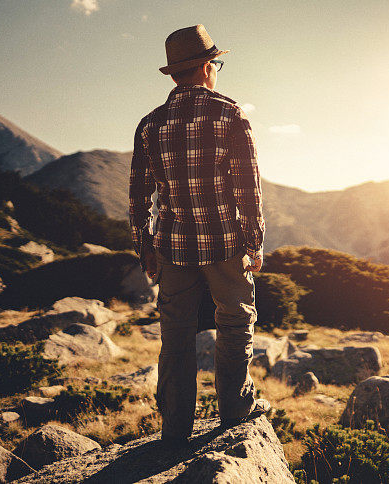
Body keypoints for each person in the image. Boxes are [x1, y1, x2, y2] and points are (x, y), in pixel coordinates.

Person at [128, 24, 270, 445]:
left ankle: (175, 427)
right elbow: (248, 187)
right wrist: (254, 241)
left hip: (172, 245)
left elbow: (138, 196)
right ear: (207, 66)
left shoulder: (150, 124)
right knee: (235, 323)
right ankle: (233, 412)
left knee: (175, 333)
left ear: (174, 74)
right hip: (225, 242)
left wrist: (145, 248)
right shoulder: (230, 113)